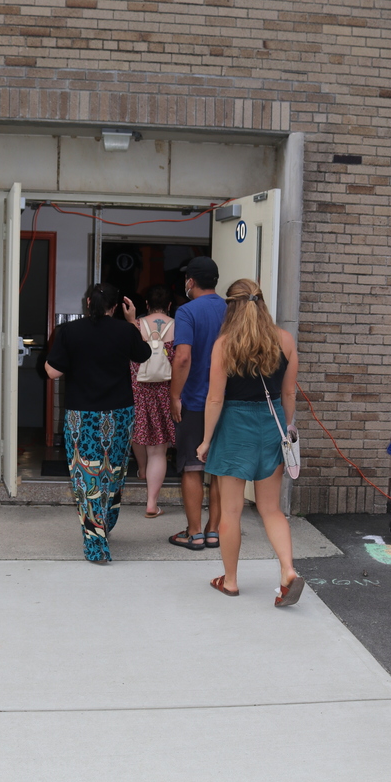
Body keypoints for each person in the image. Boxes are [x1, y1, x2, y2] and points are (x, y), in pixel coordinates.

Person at [196, 278, 303, 606]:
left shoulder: (224, 344)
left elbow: (215, 399)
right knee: (271, 509)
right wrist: (286, 429)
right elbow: (288, 392)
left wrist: (205, 441)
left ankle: (229, 581)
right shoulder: (284, 340)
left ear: (232, 307)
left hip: (234, 428)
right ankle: (288, 571)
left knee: (230, 511)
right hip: (270, 427)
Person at [45, 283, 151, 564]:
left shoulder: (68, 332)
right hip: (118, 414)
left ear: (88, 302)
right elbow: (144, 355)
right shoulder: (125, 330)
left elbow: (53, 371)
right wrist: (132, 322)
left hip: (82, 415)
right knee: (113, 471)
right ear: (116, 306)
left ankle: (96, 543)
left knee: (85, 476)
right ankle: (105, 523)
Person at [168, 256, 227, 551]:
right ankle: (213, 530)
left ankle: (194, 533)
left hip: (195, 400)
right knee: (216, 468)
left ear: (190, 281)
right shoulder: (232, 311)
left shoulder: (187, 311)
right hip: (227, 403)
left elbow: (183, 357)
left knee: (192, 466)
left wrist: (174, 396)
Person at [130, 286, 176, 518]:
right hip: (165, 392)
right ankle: (151, 503)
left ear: (147, 304)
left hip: (138, 389)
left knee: (138, 432)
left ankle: (141, 468)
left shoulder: (136, 325)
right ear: (169, 305)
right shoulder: (177, 326)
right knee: (158, 450)